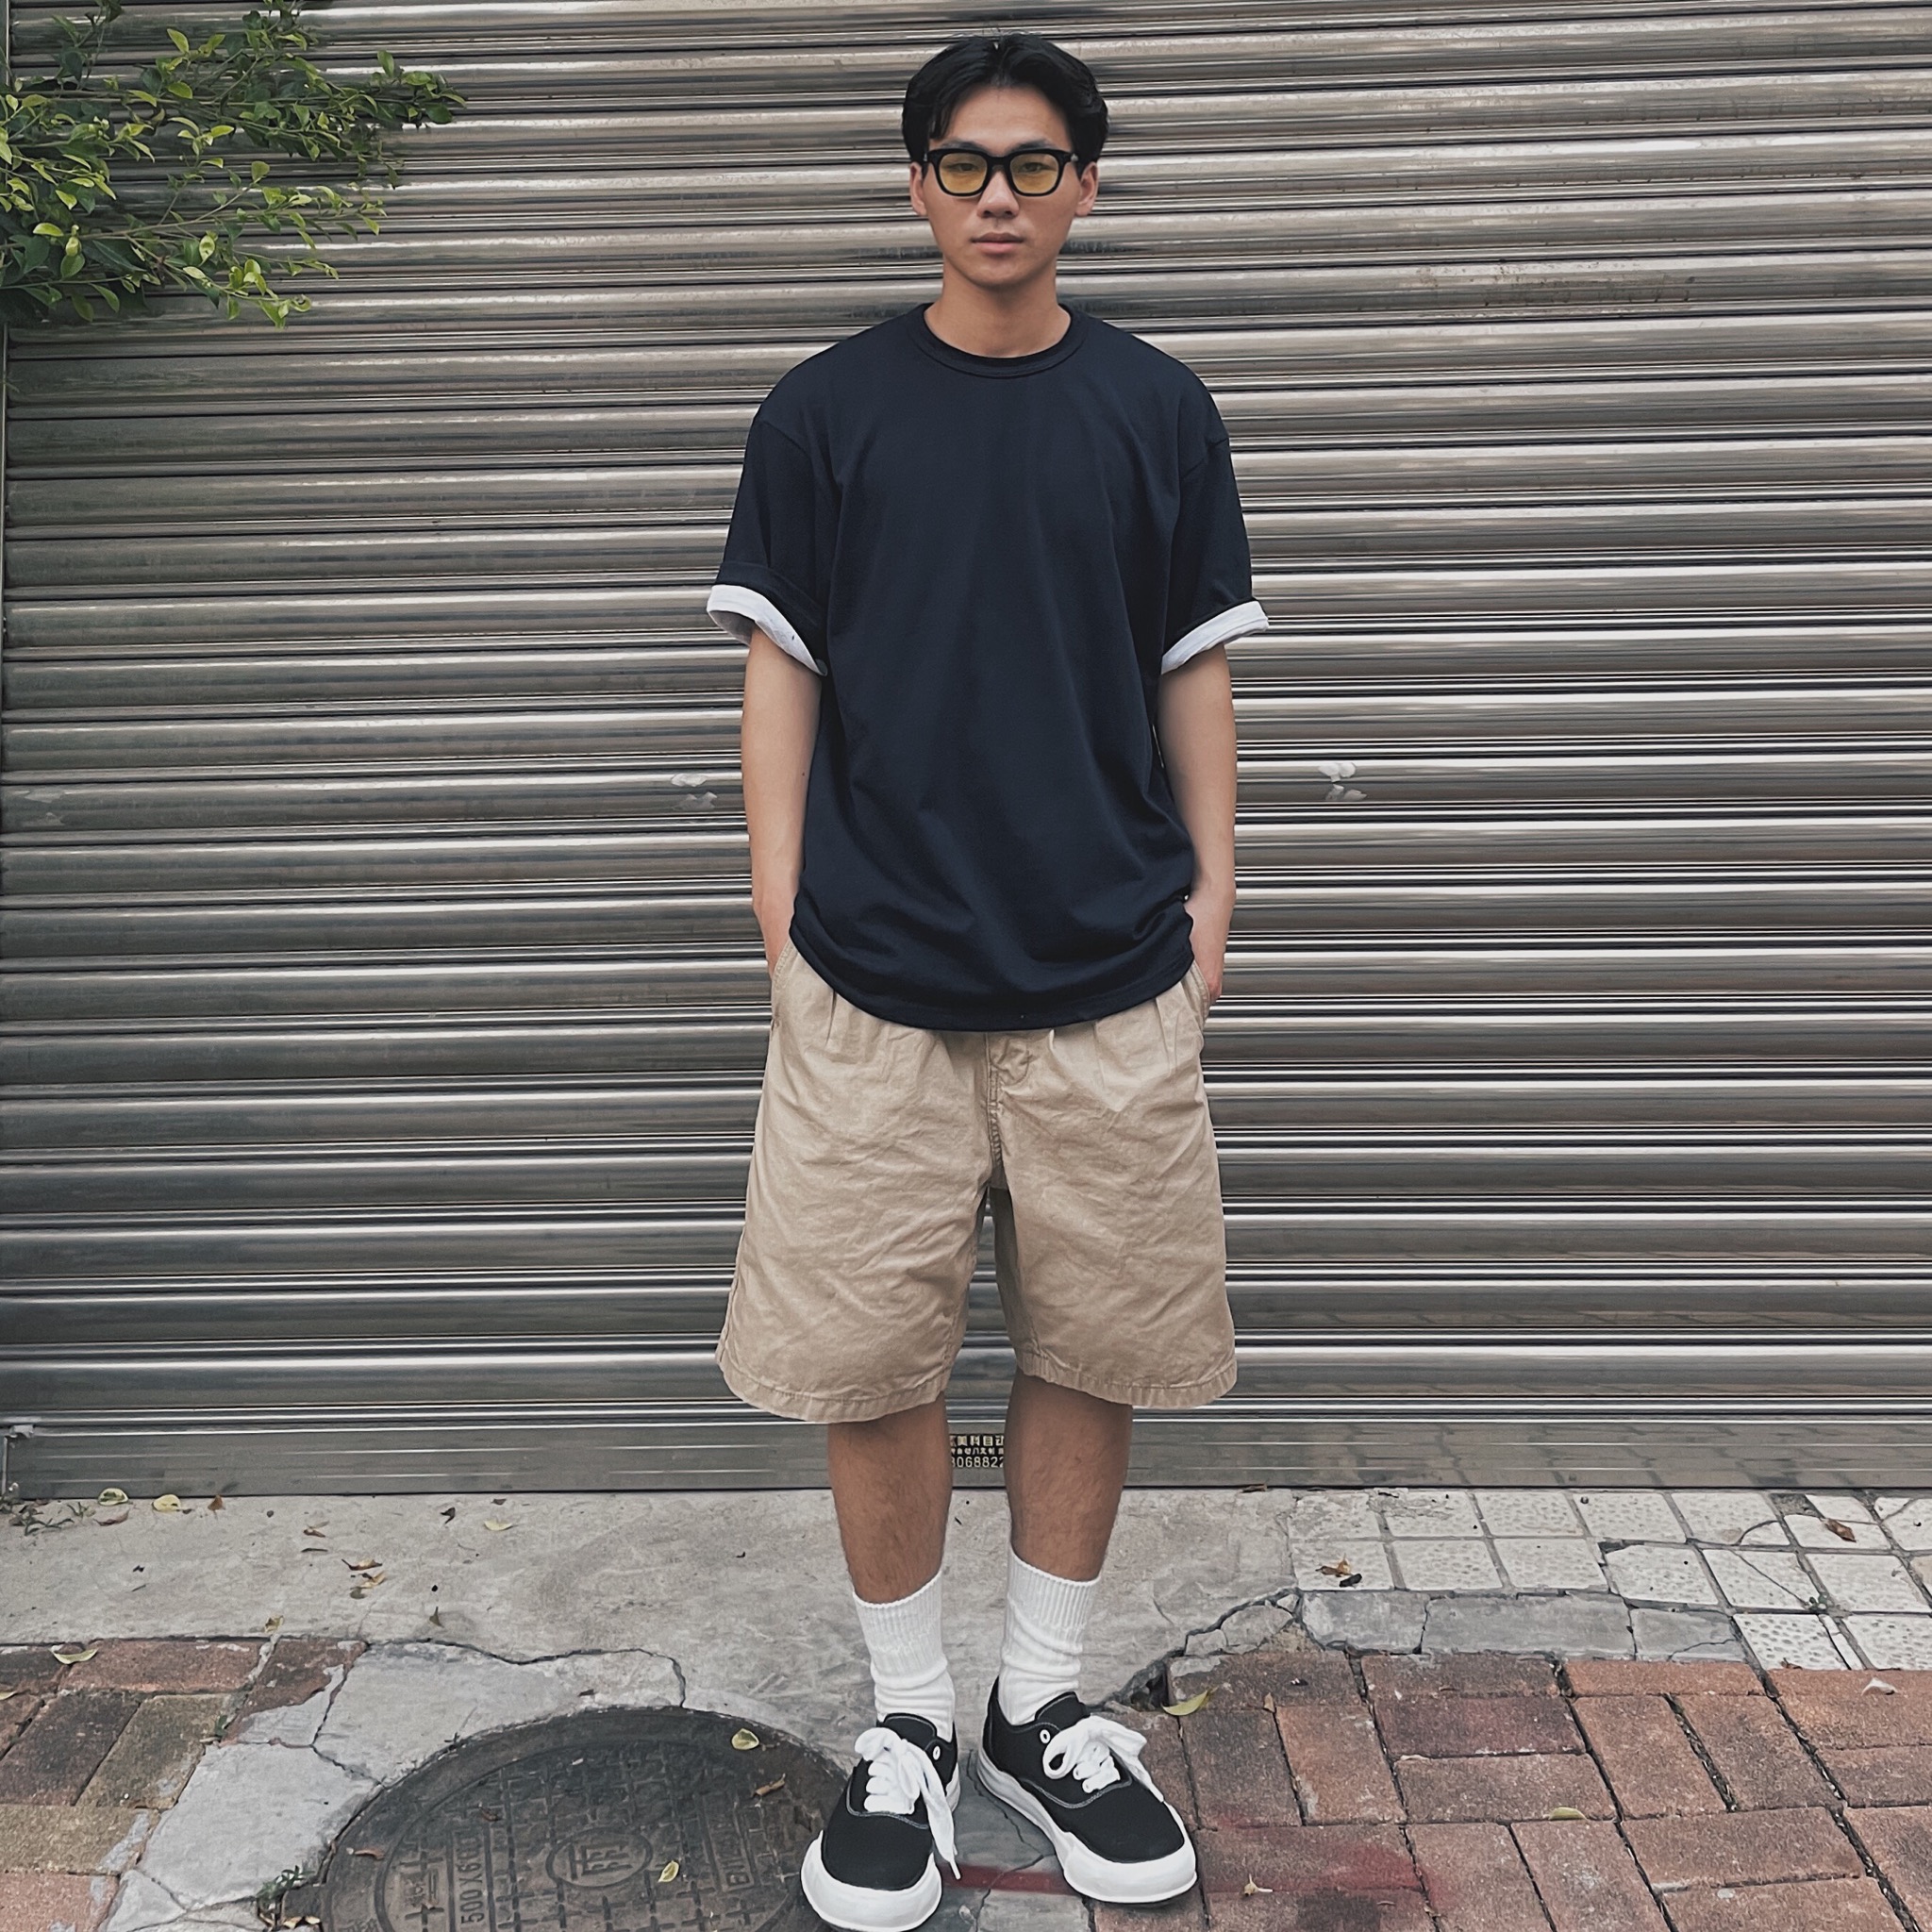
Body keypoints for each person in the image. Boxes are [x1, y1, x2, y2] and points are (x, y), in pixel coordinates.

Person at [704, 30, 1268, 1931]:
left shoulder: (1156, 409)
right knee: (869, 1360)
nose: (998, 195)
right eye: (963, 162)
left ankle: (1039, 1703)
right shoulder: (827, 412)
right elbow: (780, 664)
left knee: (1097, 1343)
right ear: (918, 184)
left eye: (1034, 163)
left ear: (1086, 185)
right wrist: (781, 905)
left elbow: (1194, 663)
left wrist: (1213, 900)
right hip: (871, 979)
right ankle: (908, 1723)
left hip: (1108, 970)